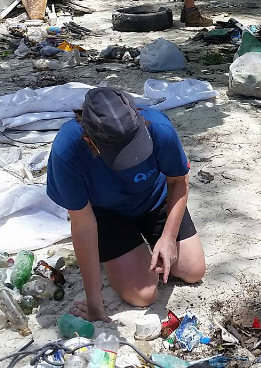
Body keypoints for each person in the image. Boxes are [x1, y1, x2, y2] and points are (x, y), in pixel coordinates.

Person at [46, 87, 206, 316]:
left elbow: (179, 181)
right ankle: (119, 254)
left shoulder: (159, 128)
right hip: (106, 215)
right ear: (89, 139)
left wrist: (168, 237)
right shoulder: (67, 151)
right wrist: (94, 301)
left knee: (193, 271)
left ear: (140, 120)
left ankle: (145, 245)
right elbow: (83, 225)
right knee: (143, 295)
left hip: (155, 199)